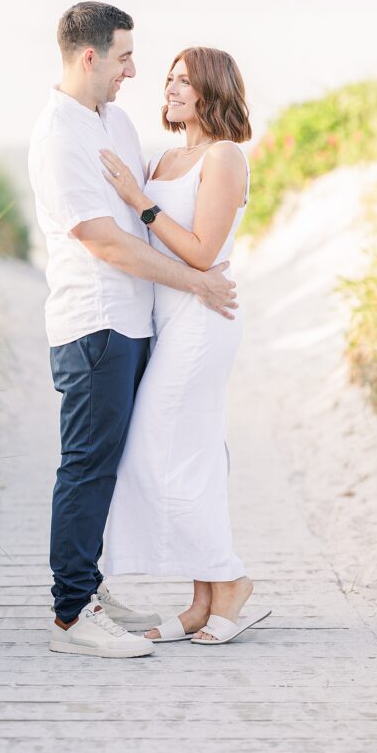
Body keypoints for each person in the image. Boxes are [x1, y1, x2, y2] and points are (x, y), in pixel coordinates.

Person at [27, 2, 239, 659]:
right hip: (92, 324)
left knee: (116, 463)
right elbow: (105, 241)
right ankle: (70, 616)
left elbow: (159, 217)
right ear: (89, 56)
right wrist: (197, 281)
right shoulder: (58, 135)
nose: (135, 71)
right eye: (124, 56)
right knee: (87, 467)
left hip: (139, 323)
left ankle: (89, 589)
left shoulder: (114, 121)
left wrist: (190, 274)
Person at [100, 46, 271, 644]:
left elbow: (201, 251)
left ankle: (229, 582)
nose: (170, 89)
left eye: (184, 82)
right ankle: (202, 601)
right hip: (164, 318)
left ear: (213, 90)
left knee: (155, 444)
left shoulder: (224, 157)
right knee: (189, 455)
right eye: (169, 79)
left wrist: (138, 201)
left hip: (203, 319)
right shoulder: (167, 156)